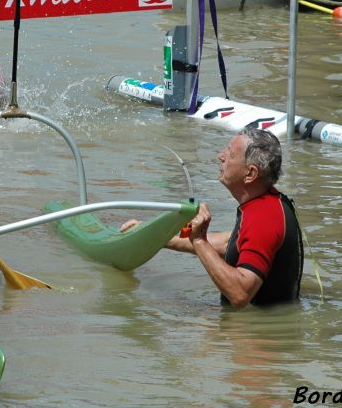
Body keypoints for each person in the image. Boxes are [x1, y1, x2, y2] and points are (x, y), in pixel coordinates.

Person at [121, 128, 303, 308]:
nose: (220, 156)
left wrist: (199, 241)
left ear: (250, 174)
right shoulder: (266, 202)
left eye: (230, 154)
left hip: (254, 334)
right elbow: (228, 243)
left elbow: (240, 294)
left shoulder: (263, 218)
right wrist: (154, 234)